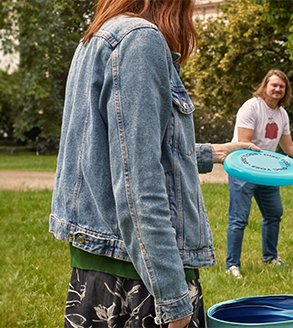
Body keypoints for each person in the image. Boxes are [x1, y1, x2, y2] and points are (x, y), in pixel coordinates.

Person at [48, 1, 258, 327]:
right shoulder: (140, 40)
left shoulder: (98, 37)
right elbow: (138, 184)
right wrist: (174, 299)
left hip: (101, 270)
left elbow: (112, 150)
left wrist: (213, 152)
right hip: (139, 277)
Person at [225, 69, 293, 279]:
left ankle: (270, 257)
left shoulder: (281, 114)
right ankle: (232, 265)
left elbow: (288, 146)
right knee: (239, 219)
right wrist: (267, 158)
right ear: (265, 86)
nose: (277, 89)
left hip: (268, 171)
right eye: (274, 85)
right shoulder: (252, 107)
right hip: (244, 170)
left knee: (274, 213)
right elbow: (244, 143)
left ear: (285, 91)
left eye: (281, 86)